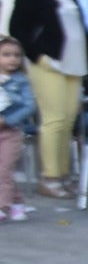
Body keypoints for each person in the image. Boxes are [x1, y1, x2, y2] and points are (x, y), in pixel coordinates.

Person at [8, 0, 87, 199]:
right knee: (53, 120)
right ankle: (50, 177)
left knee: (67, 121)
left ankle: (63, 174)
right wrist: (38, 56)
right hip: (48, 63)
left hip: (74, 63)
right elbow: (17, 28)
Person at [0, 34, 37, 223]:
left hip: (10, 132)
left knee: (4, 169)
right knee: (2, 171)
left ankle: (2, 205)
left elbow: (29, 106)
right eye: (6, 55)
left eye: (16, 55)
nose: (12, 59)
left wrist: (7, 120)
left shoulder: (21, 81)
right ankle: (17, 203)